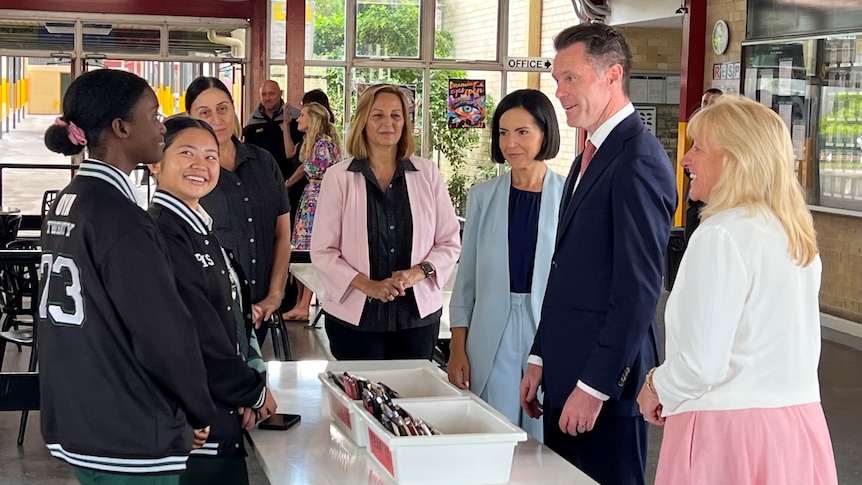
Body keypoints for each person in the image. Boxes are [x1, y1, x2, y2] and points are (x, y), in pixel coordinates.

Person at [636, 95, 838, 484]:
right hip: (797, 428)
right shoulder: (793, 235)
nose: (685, 160)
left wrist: (655, 385)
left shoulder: (721, 235)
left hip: (728, 436)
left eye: (698, 147)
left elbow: (701, 365)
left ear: (735, 158)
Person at [39, 69, 216, 484]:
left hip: (82, 415)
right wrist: (197, 408)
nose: (161, 125)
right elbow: (163, 334)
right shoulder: (123, 220)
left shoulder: (71, 202)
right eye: (153, 115)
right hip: (130, 429)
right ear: (121, 127)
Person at [519, 23, 677, 485]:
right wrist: (540, 355)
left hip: (603, 387)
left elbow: (638, 291)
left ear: (612, 75)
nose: (559, 91)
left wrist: (594, 388)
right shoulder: (588, 153)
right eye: (556, 78)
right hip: (565, 372)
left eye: (571, 78)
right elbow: (565, 269)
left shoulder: (637, 159)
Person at [147, 117, 279, 485]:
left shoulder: (200, 228)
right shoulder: (161, 233)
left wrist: (247, 385)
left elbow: (232, 317)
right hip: (192, 423)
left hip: (222, 410)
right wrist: (251, 392)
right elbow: (196, 336)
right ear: (156, 161)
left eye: (210, 155)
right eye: (186, 153)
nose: (201, 165)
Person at [447, 89, 565, 441]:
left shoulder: (570, 196)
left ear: (545, 134)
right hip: (490, 330)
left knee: (543, 435)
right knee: (492, 431)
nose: (511, 143)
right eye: (503, 133)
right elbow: (466, 280)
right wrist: (457, 348)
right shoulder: (483, 196)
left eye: (523, 132)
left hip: (547, 330)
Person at [311, 83, 461, 360]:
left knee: (412, 401)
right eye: (378, 115)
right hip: (355, 319)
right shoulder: (339, 177)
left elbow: (449, 242)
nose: (388, 123)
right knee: (359, 401)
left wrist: (419, 272)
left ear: (405, 122)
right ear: (363, 121)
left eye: (396, 115)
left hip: (417, 317)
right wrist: (370, 286)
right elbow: (323, 251)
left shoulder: (427, 174)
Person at [185, 76, 292, 344]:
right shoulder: (187, 172)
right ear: (190, 116)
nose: (217, 119)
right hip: (208, 313)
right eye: (204, 112)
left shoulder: (263, 162)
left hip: (261, 310)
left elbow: (281, 235)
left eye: (223, 108)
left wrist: (275, 295)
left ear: (234, 108)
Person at [282, 102, 341, 321]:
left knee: (308, 250)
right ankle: (301, 302)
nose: (299, 119)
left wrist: (288, 183)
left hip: (318, 200)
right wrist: (288, 183)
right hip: (312, 197)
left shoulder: (322, 145)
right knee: (300, 248)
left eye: (303, 115)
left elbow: (312, 170)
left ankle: (305, 303)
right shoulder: (315, 144)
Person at [684, 88, 723, 242]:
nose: (685, 160)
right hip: (695, 204)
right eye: (704, 102)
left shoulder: (723, 231)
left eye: (699, 150)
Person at [242, 80, 290, 179]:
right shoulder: (253, 119)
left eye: (272, 94)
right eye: (264, 94)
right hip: (262, 176)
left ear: (281, 93)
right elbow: (249, 151)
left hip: (289, 177)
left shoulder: (293, 116)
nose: (267, 98)